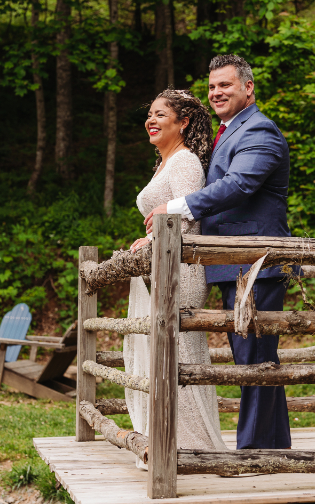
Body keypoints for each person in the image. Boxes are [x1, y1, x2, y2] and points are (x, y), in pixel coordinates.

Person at [144, 55, 292, 450]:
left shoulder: (259, 131)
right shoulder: (228, 133)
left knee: (254, 361)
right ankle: (272, 447)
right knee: (258, 360)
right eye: (212, 87)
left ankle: (254, 454)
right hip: (232, 264)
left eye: (225, 85)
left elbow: (239, 185)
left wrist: (175, 208)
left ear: (248, 88)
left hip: (255, 264)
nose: (216, 93)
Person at [126, 89, 226, 464]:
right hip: (166, 265)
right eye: (149, 114)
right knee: (164, 354)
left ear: (183, 122)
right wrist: (149, 238)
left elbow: (189, 218)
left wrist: (154, 238)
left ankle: (193, 448)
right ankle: (171, 443)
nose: (151, 120)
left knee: (178, 353)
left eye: (160, 115)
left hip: (182, 272)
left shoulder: (184, 163)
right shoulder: (165, 162)